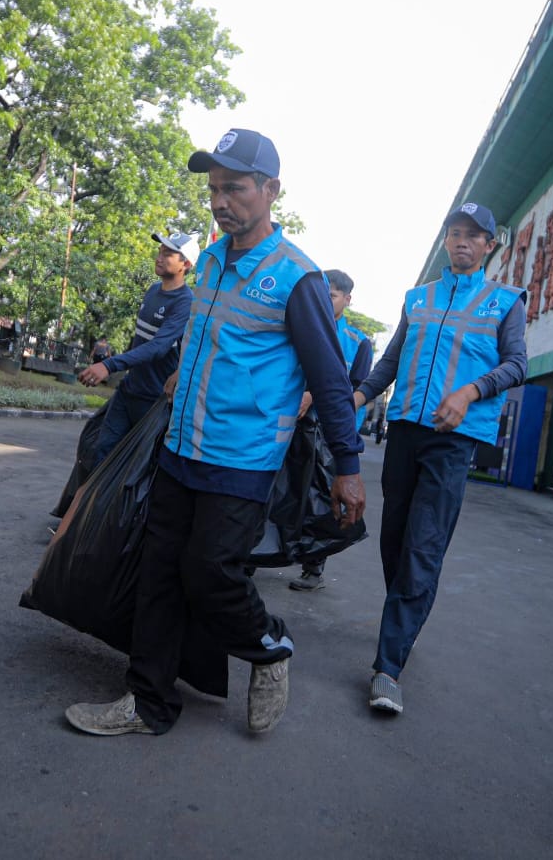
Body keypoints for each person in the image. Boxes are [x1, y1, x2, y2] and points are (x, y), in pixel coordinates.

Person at [64, 128, 366, 737]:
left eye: (235, 188)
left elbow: (330, 380)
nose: (221, 201)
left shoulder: (295, 277)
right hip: (180, 446)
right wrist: (179, 376)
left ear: (271, 190)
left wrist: (350, 467)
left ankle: (268, 646)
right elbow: (206, 340)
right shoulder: (209, 258)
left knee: (211, 574)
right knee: (160, 572)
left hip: (244, 457)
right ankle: (147, 702)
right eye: (213, 190)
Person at [352, 202, 527, 714]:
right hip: (406, 428)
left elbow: (517, 364)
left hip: (454, 439)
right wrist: (357, 399)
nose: (462, 242)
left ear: (490, 246)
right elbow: (391, 360)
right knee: (394, 541)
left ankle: (388, 667)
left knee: (424, 545)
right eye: (455, 233)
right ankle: (403, 622)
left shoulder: (504, 301)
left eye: (474, 235)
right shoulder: (418, 298)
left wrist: (470, 392)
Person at [75, 231, 197, 466]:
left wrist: (109, 365)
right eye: (160, 251)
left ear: (186, 264)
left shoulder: (185, 302)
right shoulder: (153, 291)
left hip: (153, 401)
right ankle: (92, 503)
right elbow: (140, 341)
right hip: (128, 391)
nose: (160, 257)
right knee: (100, 454)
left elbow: (158, 347)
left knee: (137, 468)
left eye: (169, 253)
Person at [288, 268, 372, 592]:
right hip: (293, 422)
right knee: (283, 489)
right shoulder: (299, 325)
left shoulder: (357, 342)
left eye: (333, 295)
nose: (326, 300)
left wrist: (316, 398)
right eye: (323, 293)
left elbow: (356, 390)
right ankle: (259, 553)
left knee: (323, 497)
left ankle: (314, 566)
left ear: (347, 300)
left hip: (329, 432)